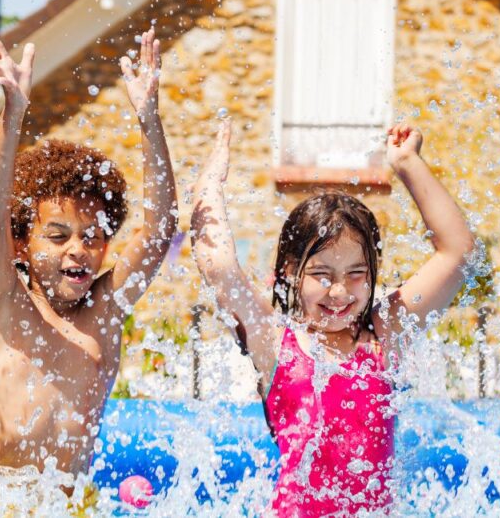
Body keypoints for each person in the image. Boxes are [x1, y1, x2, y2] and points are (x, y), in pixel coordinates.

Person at [191, 121, 475, 515]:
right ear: (291, 271)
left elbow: (458, 252)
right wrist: (208, 185)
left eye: (356, 274)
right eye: (322, 275)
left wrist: (408, 163)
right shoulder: (276, 344)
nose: (340, 292)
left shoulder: (384, 335)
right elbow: (218, 267)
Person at [0, 26, 177, 511]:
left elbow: (161, 230)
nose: (77, 249)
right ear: (21, 243)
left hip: (69, 506)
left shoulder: (106, 309)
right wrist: (12, 113)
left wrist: (149, 120)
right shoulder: (5, 301)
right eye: (57, 236)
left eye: (93, 236)